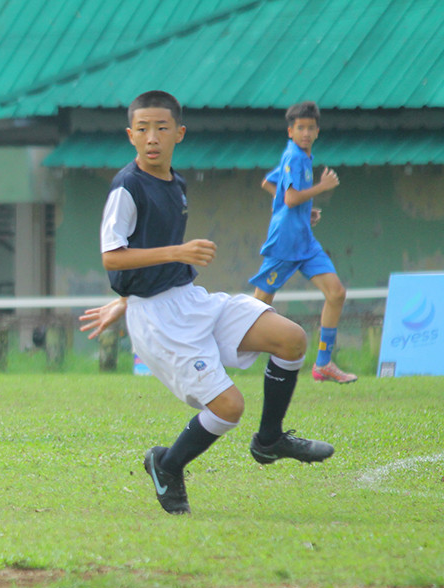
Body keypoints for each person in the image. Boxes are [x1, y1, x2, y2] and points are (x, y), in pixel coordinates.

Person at [80, 90, 334, 515]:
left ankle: (269, 439)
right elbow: (112, 256)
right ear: (130, 135)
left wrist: (123, 298)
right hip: (158, 320)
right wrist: (144, 287)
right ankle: (167, 464)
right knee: (229, 407)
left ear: (179, 133)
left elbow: (146, 254)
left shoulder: (175, 183)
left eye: (161, 128)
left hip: (190, 300)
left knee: (291, 338)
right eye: (142, 129)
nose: (152, 137)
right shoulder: (127, 187)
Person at [251, 101, 357, 384]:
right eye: (300, 128)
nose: (306, 132)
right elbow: (289, 198)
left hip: (305, 241)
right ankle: (221, 354)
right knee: (258, 306)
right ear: (291, 131)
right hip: (285, 242)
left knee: (336, 293)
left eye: (310, 128)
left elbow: (269, 184)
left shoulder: (303, 157)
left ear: (317, 131)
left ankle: (323, 364)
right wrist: (321, 187)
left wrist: (301, 212)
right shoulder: (294, 157)